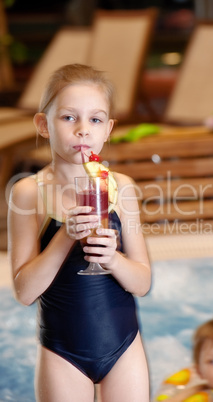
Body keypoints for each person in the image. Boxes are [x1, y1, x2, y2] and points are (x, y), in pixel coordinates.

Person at [8, 63, 151, 402]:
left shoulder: (122, 189)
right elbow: (24, 292)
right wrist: (66, 235)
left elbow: (142, 283)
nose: (83, 130)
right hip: (63, 353)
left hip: (123, 346)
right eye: (69, 118)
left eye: (95, 119)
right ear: (44, 124)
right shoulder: (29, 192)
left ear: (108, 130)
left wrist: (113, 259)